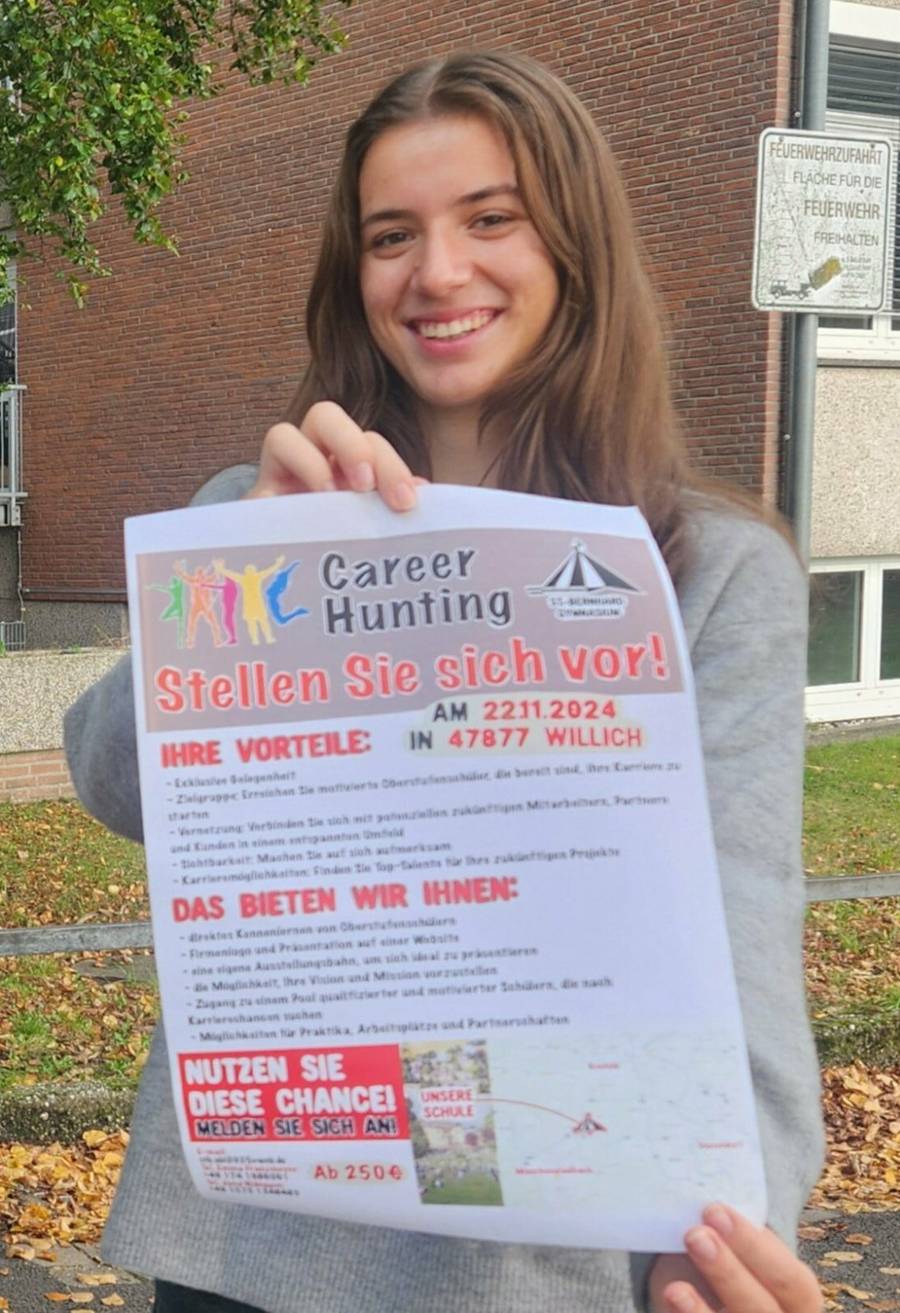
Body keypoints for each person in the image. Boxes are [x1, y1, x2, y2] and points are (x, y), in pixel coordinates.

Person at [61, 52, 824, 1313]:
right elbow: (116, 784)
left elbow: (746, 931)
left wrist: (740, 1224)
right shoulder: (256, 511)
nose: (439, 273)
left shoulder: (715, 572)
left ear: (573, 244)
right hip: (257, 1243)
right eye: (391, 236)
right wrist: (244, 576)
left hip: (536, 1264)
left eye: (490, 219)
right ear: (352, 277)